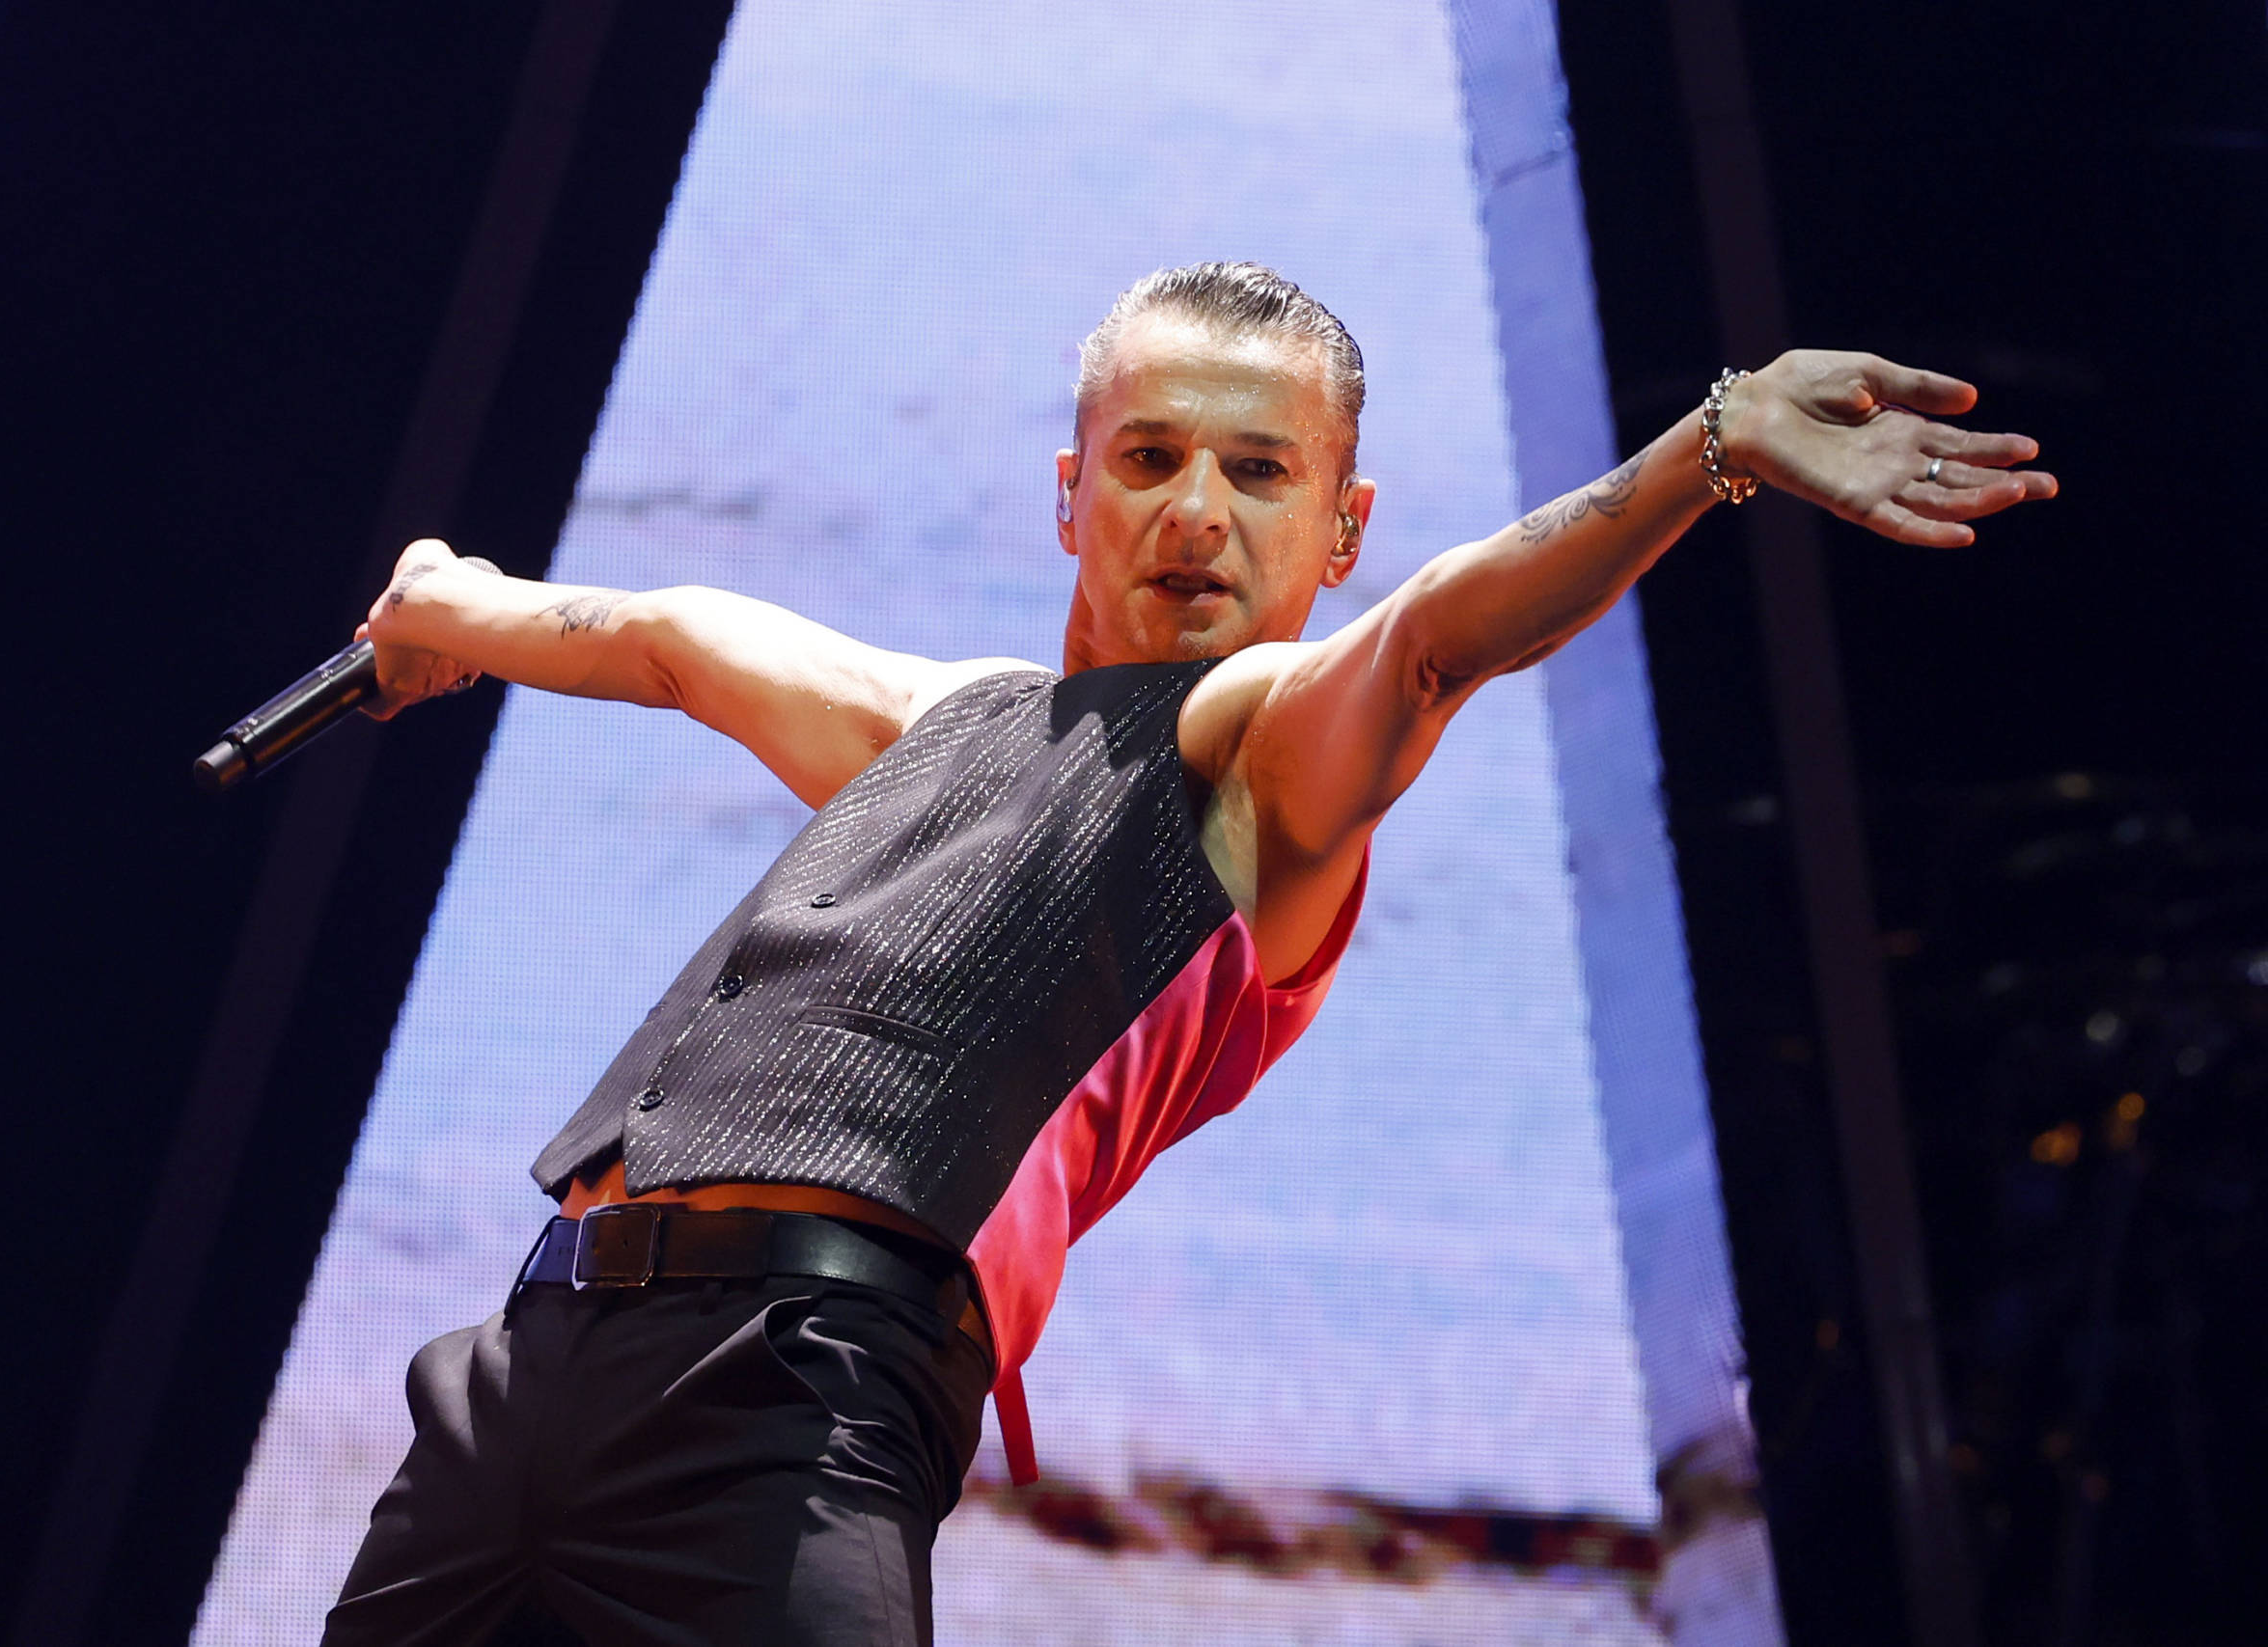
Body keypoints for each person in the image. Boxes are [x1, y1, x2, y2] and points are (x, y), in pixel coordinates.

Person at [321, 262, 2054, 1646]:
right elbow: (673, 640)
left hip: (792, 1397)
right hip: (524, 1373)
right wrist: (444, 604)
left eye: (1258, 471)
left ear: (1341, 531)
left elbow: (1443, 642)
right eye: (1149, 461)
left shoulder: (1266, 760)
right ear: (1073, 496)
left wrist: (1713, 446)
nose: (1197, 513)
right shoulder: (947, 724)